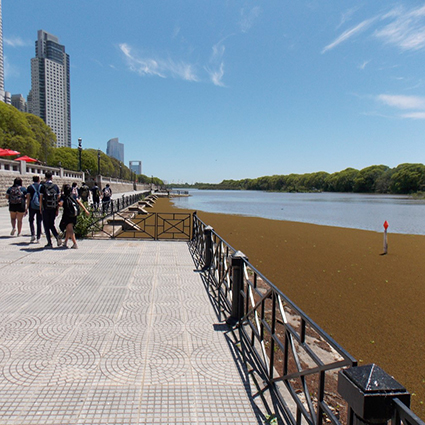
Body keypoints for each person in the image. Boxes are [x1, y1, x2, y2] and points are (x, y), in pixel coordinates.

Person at [59, 184, 89, 249]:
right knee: (68, 229)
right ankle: (65, 242)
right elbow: (79, 202)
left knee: (70, 230)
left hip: (67, 215)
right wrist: (85, 210)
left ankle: (75, 244)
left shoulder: (64, 197)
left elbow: (60, 204)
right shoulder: (73, 196)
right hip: (74, 214)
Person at [39, 171, 62, 249]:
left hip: (45, 208)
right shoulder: (55, 186)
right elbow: (58, 199)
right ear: (52, 177)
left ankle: (49, 242)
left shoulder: (42, 186)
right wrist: (57, 209)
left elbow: (41, 198)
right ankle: (57, 236)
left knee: (46, 225)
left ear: (45, 177)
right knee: (51, 224)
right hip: (53, 208)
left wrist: (40, 208)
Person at [26, 175, 42, 243]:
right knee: (39, 221)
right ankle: (38, 237)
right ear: (39, 180)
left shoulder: (30, 187)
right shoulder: (41, 187)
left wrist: (26, 207)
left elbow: (28, 198)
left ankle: (33, 234)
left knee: (31, 220)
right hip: (39, 206)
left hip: (32, 206)